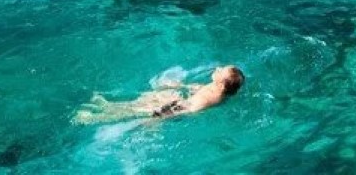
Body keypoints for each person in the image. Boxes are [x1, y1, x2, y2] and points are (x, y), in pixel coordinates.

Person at [73, 66, 245, 125]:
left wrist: (160, 116)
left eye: (221, 70)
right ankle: (105, 107)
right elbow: (199, 89)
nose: (217, 69)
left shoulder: (211, 99)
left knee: (138, 109)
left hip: (176, 107)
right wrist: (181, 86)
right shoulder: (216, 89)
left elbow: (193, 108)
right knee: (140, 102)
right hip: (179, 99)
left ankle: (93, 117)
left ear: (221, 84)